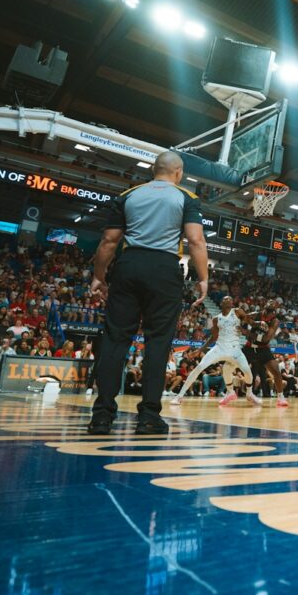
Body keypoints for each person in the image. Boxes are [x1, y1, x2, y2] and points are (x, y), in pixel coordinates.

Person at [86, 151, 208, 435]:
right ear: (178, 172)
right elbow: (195, 239)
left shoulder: (129, 194)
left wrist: (99, 276)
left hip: (129, 266)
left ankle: (102, 415)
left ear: (155, 170)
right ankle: (149, 416)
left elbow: (108, 240)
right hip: (164, 269)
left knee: (115, 340)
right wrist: (203, 278)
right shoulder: (185, 197)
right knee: (157, 344)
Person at [171, 296, 259, 406]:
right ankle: (179, 396)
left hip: (235, 350)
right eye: (226, 299)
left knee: (247, 371)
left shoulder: (237, 311)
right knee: (199, 367)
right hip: (219, 348)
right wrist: (199, 350)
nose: (229, 300)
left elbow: (249, 321)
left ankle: (249, 394)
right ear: (221, 303)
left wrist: (256, 320)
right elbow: (213, 337)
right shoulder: (217, 318)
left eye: (230, 299)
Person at [243, 300, 287, 406]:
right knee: (233, 365)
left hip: (263, 348)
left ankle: (281, 397)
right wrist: (250, 322)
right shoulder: (256, 314)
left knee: (276, 371)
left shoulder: (275, 321)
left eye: (273, 302)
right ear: (264, 305)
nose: (271, 302)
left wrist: (248, 332)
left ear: (275, 310)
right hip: (249, 347)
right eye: (269, 301)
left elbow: (266, 339)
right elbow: (244, 317)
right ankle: (229, 392)